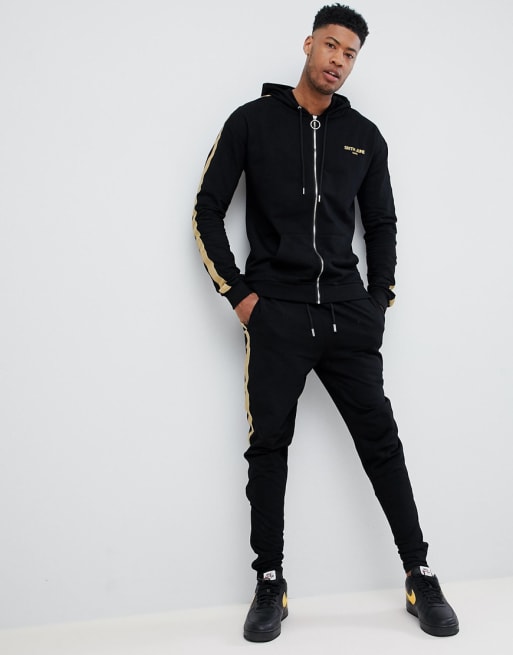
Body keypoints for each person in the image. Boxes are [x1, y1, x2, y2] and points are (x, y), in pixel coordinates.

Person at [192, 3, 459, 643]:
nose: (339, 60)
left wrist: (378, 299)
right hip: (277, 315)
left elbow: (382, 223)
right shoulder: (251, 121)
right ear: (309, 44)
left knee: (382, 446)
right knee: (269, 448)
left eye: (351, 53)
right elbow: (206, 210)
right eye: (331, 46)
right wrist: (240, 296)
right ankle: (270, 581)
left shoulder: (364, 135)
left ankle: (420, 575)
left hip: (347, 316)